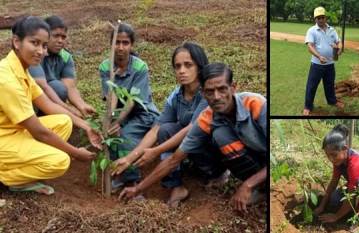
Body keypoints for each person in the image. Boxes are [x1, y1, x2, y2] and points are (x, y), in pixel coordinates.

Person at [117, 62, 267, 214]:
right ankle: (261, 186)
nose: (216, 97)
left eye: (222, 89)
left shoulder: (256, 104)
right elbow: (173, 160)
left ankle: (259, 183)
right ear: (203, 93)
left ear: (233, 87)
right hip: (253, 166)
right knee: (221, 135)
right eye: (210, 91)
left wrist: (247, 186)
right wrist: (138, 188)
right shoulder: (207, 117)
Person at [111, 42, 230, 207]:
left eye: (188, 65)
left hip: (213, 152)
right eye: (177, 66)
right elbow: (157, 129)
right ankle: (176, 186)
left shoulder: (208, 93)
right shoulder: (176, 96)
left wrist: (155, 151)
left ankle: (217, 174)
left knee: (201, 134)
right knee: (166, 130)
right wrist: (129, 158)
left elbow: (193, 129)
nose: (181, 70)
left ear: (199, 66)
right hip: (191, 150)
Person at [0, 16, 103, 195]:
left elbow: (48, 105)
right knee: (60, 161)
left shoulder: (20, 71)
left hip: (11, 132)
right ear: (17, 41)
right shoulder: (7, 79)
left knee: (63, 121)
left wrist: (87, 126)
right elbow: (39, 132)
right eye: (35, 43)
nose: (41, 51)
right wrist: (75, 153)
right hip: (4, 139)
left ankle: (24, 167)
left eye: (44, 45)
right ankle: (8, 177)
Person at [99, 23, 159, 199]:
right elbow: (113, 96)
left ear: (131, 45)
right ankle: (117, 175)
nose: (120, 47)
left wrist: (118, 123)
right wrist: (110, 120)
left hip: (142, 113)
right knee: (109, 135)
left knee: (125, 137)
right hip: (120, 112)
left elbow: (132, 100)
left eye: (125, 43)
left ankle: (132, 181)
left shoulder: (140, 67)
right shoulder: (105, 67)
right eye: (116, 42)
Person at [28, 15, 95, 117]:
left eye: (63, 37)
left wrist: (82, 106)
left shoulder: (65, 57)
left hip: (49, 99)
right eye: (56, 36)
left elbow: (70, 86)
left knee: (58, 87)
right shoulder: (35, 53)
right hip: (27, 99)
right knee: (55, 87)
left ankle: (48, 118)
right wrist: (68, 110)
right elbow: (42, 86)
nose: (60, 40)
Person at [302, 7, 344, 116]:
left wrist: (340, 47)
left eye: (323, 17)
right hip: (317, 64)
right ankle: (308, 106)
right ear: (315, 19)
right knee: (312, 86)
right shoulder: (312, 30)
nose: (321, 20)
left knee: (329, 84)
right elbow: (310, 46)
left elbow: (338, 41)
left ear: (326, 18)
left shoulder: (332, 30)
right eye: (318, 18)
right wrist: (319, 56)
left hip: (330, 64)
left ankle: (332, 101)